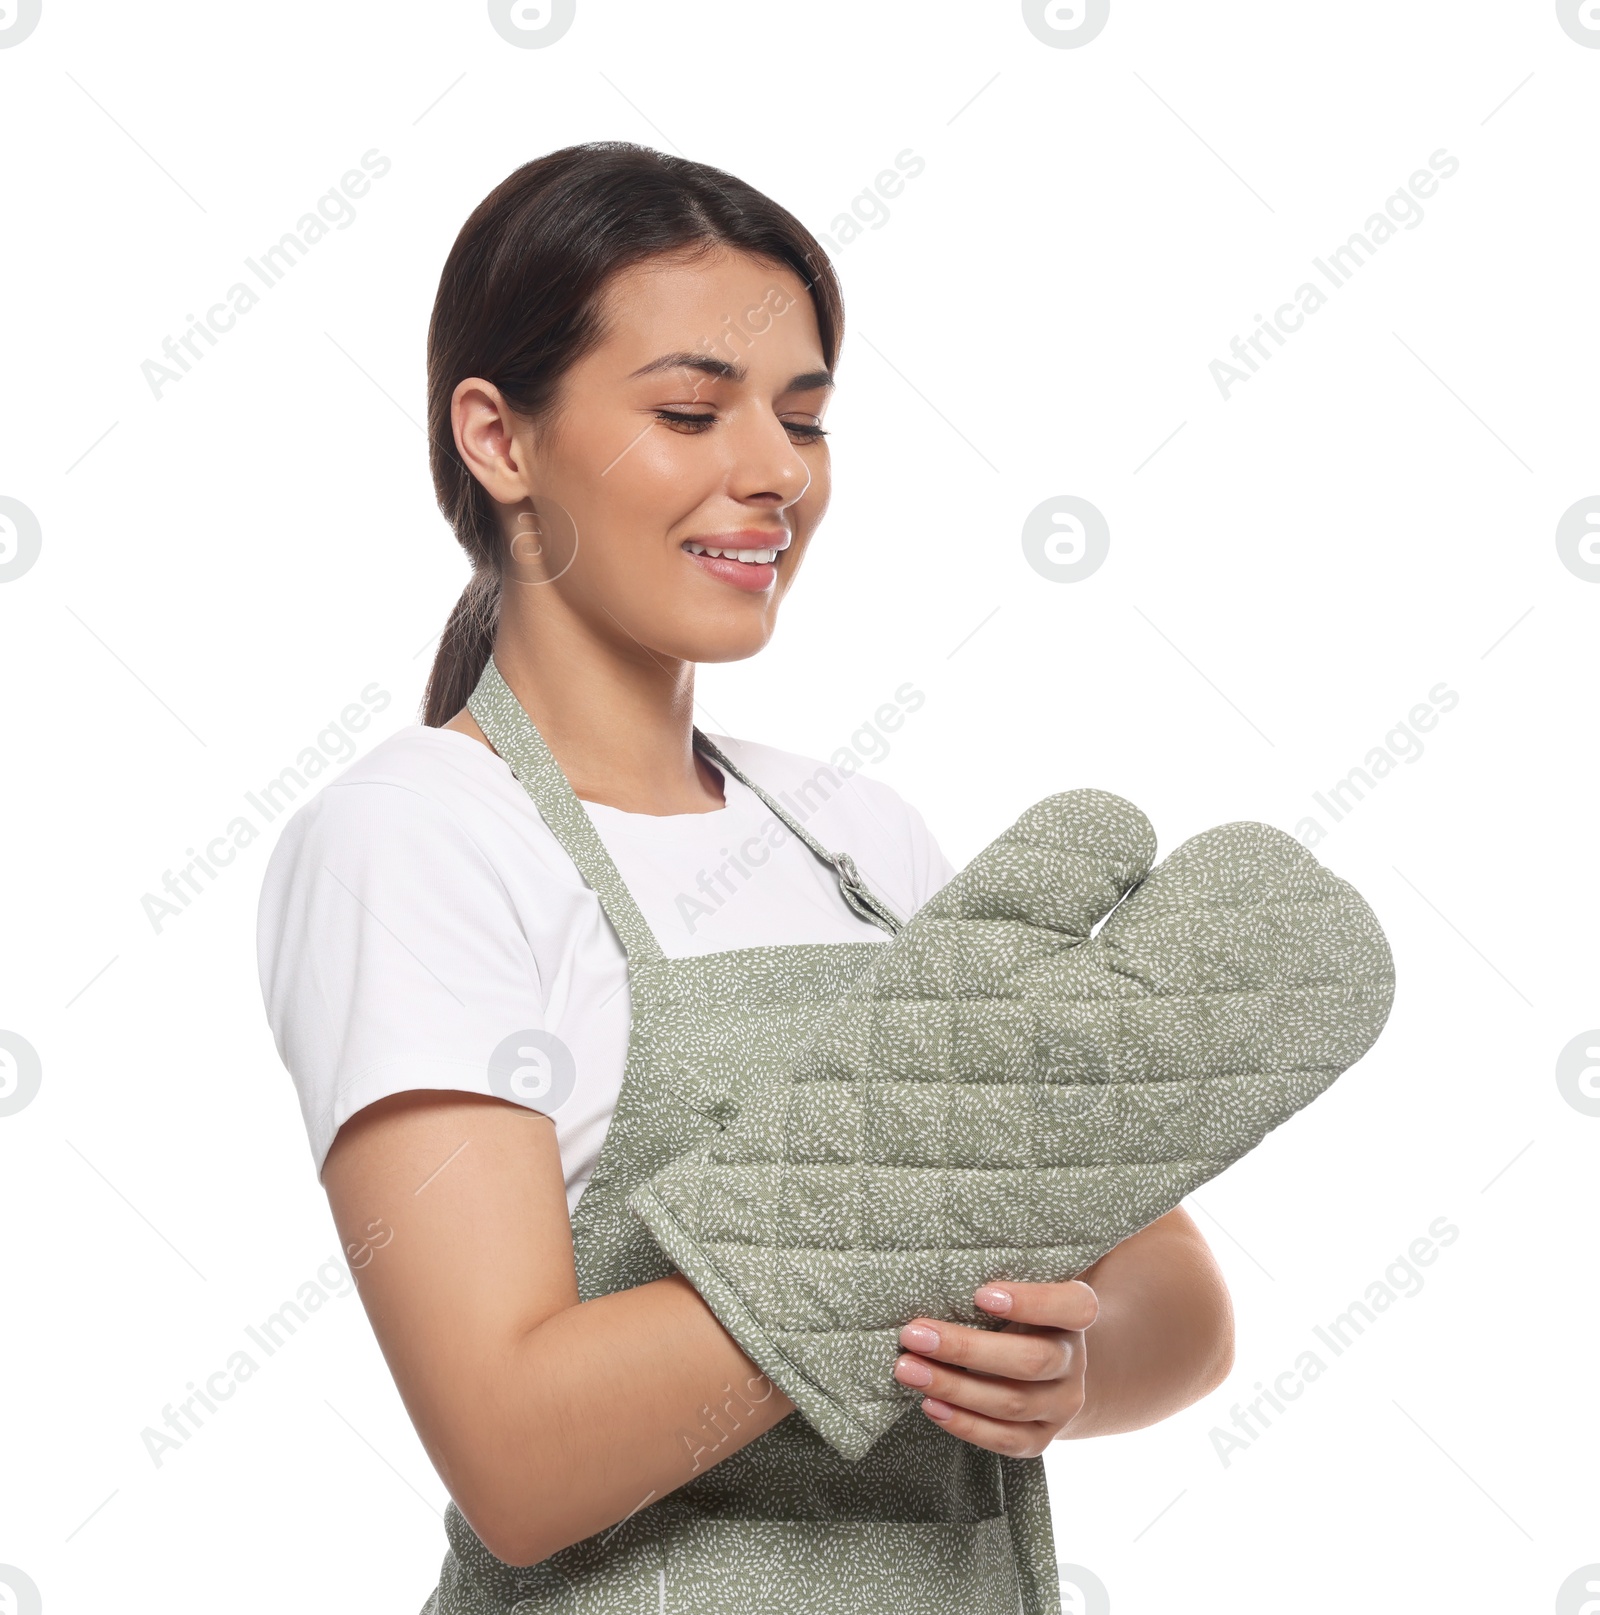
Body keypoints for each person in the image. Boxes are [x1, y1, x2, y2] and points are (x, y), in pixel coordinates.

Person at [255, 140, 1235, 1614]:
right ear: (499, 438)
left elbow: (1180, 1295)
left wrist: (1068, 1365)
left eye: (804, 419)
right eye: (692, 410)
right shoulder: (416, 842)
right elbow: (518, 1458)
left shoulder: (862, 837)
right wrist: (924, 1219)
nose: (775, 472)